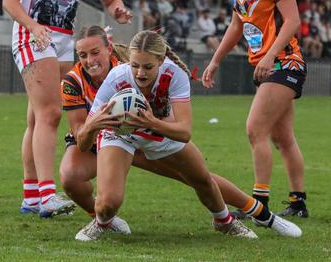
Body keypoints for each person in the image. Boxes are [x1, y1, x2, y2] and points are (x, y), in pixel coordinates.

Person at [62, 28, 301, 240]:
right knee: (108, 202)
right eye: (135, 66)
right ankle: (101, 221)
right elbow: (81, 141)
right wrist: (94, 125)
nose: (140, 73)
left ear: (161, 60)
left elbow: (185, 132)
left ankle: (228, 221)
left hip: (157, 130)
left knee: (202, 178)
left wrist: (151, 122)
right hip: (120, 135)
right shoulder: (108, 78)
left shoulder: (173, 74)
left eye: (147, 67)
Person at [2, 0, 132, 219]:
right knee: (51, 114)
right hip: (33, 33)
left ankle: (31, 195)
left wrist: (118, 10)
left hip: (63, 40)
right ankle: (47, 196)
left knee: (36, 119)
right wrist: (32, 27)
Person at [202, 0, 310, 219]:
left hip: (284, 63)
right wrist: (214, 61)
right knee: (282, 138)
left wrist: (270, 56)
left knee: (255, 129)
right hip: (267, 65)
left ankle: (258, 204)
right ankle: (298, 202)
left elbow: (292, 22)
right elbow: (237, 26)